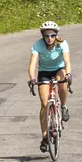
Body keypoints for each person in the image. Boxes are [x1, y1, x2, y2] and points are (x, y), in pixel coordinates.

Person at [26, 20, 71, 152]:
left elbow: (67, 60)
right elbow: (33, 63)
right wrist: (32, 78)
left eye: (52, 35)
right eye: (46, 36)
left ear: (56, 35)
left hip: (59, 69)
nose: (49, 38)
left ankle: (63, 107)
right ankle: (45, 137)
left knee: (63, 84)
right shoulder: (38, 45)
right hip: (44, 71)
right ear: (43, 36)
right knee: (44, 104)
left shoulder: (62, 43)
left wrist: (68, 74)